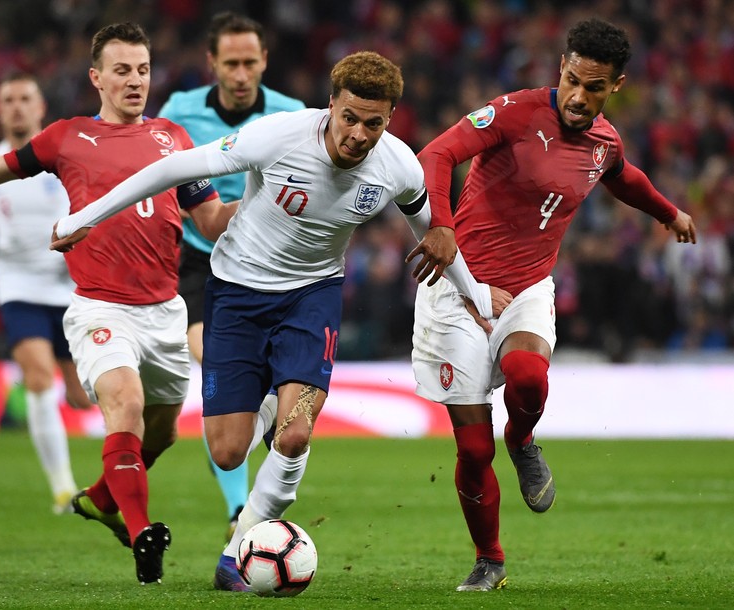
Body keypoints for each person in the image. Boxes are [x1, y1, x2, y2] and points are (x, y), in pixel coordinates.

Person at [51, 50, 506, 592]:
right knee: (227, 450)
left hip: (312, 298)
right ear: (330, 105)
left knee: (295, 437)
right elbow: (175, 168)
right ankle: (270, 404)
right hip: (236, 293)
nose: (360, 134)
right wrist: (83, 217)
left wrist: (476, 298)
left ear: (389, 120)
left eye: (374, 123)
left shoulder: (399, 167)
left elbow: (435, 235)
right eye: (350, 118)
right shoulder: (278, 136)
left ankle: (236, 552)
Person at [0, 22, 236, 585]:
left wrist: (268, 204)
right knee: (125, 404)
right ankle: (143, 531)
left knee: (163, 433)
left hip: (165, 310)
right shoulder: (67, 138)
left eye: (142, 70)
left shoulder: (175, 139)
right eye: (121, 70)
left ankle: (101, 499)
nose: (134, 81)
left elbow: (213, 221)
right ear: (96, 77)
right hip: (100, 307)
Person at [410, 18, 697, 592]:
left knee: (527, 378)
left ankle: (522, 438)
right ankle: (490, 558)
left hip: (528, 287)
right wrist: (441, 226)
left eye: (593, 87)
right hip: (458, 287)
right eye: (572, 79)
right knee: (471, 448)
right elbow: (436, 154)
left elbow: (623, 177)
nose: (578, 95)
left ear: (615, 86)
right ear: (560, 66)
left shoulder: (604, 142)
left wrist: (668, 212)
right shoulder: (513, 112)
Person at [157, 11, 305, 541]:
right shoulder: (180, 113)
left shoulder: (293, 116)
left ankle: (261, 473)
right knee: (208, 352)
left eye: (250, 62)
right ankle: (237, 508)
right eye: (231, 63)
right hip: (202, 259)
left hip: (272, 265)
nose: (241, 74)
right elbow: (160, 168)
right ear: (212, 63)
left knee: (266, 386)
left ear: (264, 61)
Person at [0, 72, 91, 515]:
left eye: (25, 98)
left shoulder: (62, 157)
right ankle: (62, 489)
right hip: (19, 288)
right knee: (36, 377)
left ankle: (117, 477)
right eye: (8, 99)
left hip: (72, 288)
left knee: (82, 396)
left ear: (39, 108)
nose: (17, 106)